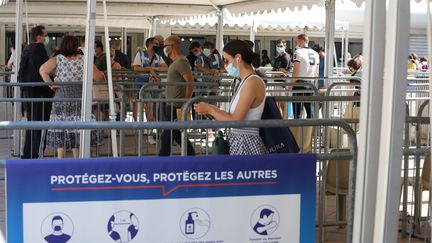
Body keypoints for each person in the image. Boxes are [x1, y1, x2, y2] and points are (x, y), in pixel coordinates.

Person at [194, 40, 268, 155]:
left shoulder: (252, 82)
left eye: (226, 60)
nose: (224, 65)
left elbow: (236, 119)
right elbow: (233, 117)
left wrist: (210, 109)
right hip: (240, 141)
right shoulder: (245, 81)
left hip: (245, 144)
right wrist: (210, 109)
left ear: (238, 58)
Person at [40, 35, 104, 158]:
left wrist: (51, 84)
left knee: (61, 128)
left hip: (61, 97)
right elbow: (98, 77)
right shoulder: (84, 60)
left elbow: (42, 69)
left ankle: (61, 160)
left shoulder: (57, 59)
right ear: (76, 46)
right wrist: (102, 73)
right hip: (79, 98)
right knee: (78, 129)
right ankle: (77, 161)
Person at [18, 25, 54, 159]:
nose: (46, 38)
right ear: (39, 37)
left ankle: (27, 153)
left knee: (31, 123)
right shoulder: (39, 49)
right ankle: (36, 155)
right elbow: (44, 70)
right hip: (40, 92)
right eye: (45, 35)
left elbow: (21, 72)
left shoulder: (26, 49)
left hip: (28, 92)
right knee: (40, 124)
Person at [159, 35, 195, 156]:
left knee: (168, 135)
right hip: (172, 104)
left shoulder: (181, 62)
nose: (164, 48)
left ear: (172, 46)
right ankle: (191, 157)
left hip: (177, 105)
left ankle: (162, 161)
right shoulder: (176, 62)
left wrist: (186, 101)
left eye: (165, 46)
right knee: (177, 135)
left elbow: (190, 82)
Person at [132, 37, 168, 140]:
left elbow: (166, 67)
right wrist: (149, 70)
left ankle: (152, 130)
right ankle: (149, 132)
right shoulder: (140, 54)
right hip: (143, 85)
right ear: (150, 45)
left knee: (155, 107)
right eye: (155, 44)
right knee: (149, 106)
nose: (157, 45)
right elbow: (136, 68)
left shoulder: (158, 56)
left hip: (155, 85)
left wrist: (153, 69)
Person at [292, 34, 319, 119]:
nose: (297, 44)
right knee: (310, 112)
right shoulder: (315, 53)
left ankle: (297, 132)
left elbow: (295, 71)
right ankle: (310, 132)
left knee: (297, 113)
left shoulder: (298, 52)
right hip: (311, 83)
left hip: (299, 83)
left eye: (297, 42)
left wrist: (290, 86)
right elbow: (316, 73)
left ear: (302, 41)